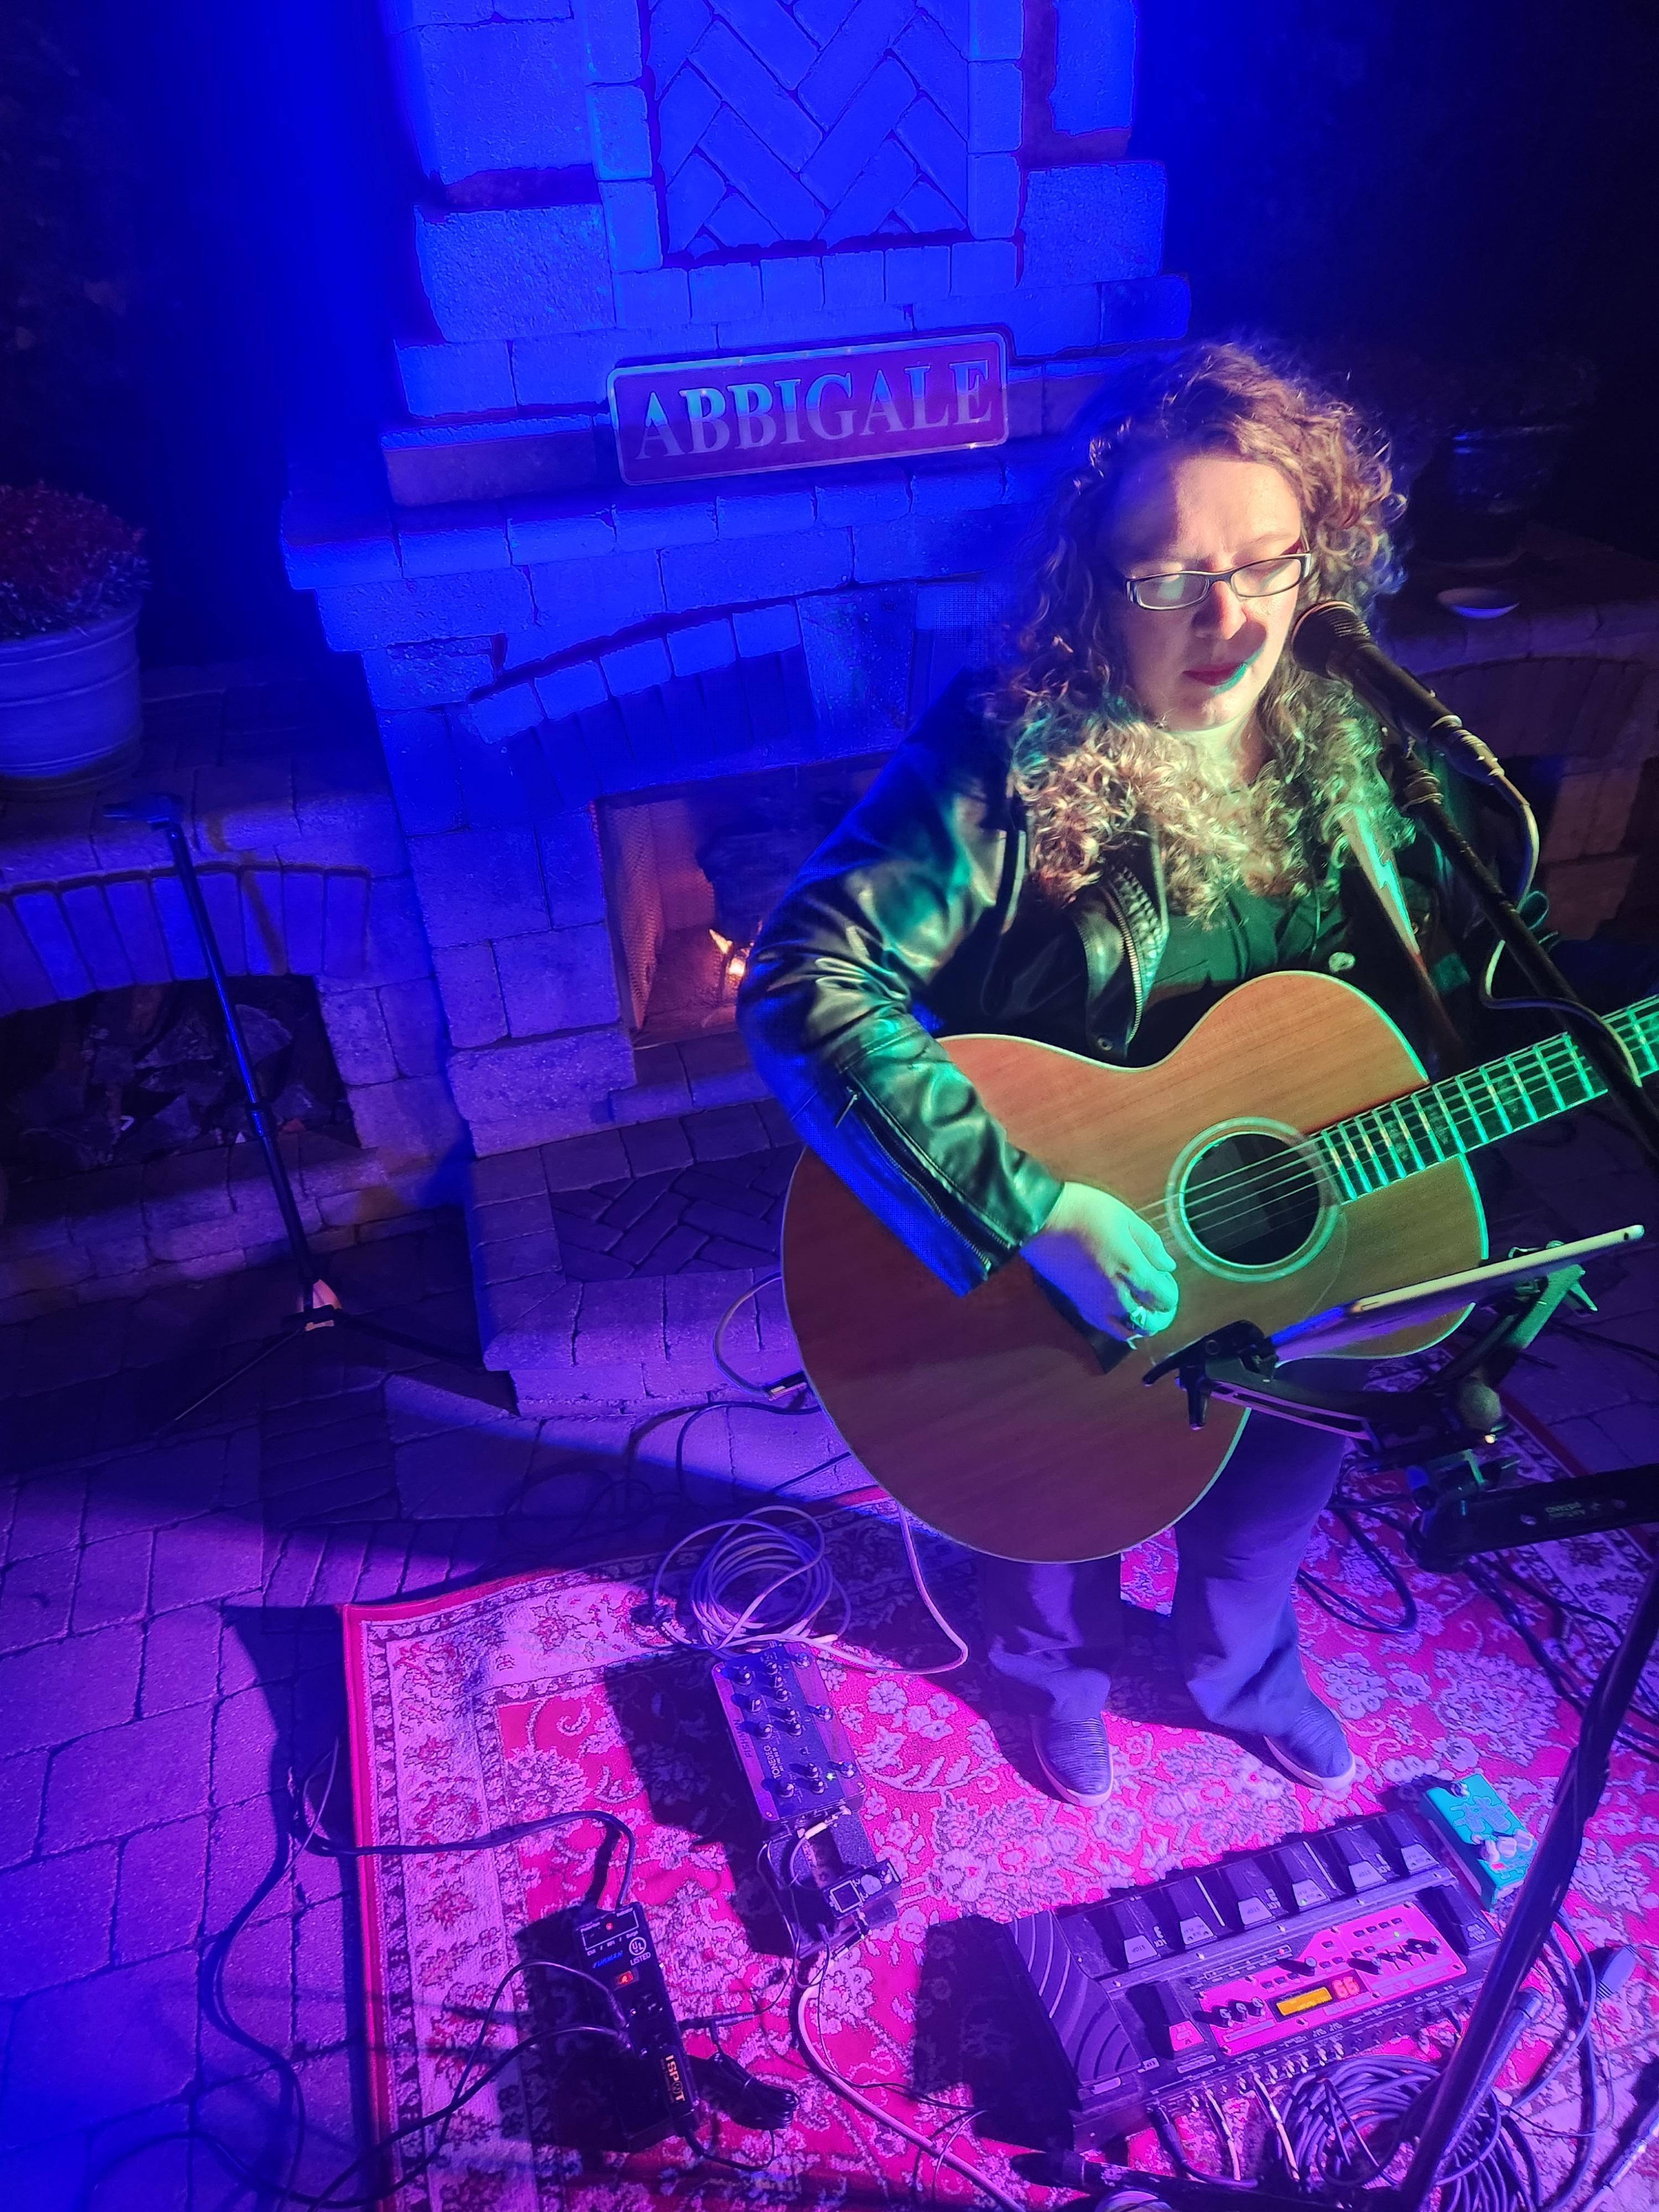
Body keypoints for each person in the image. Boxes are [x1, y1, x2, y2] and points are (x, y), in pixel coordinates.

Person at [734, 341, 1606, 1810]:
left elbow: (1457, 988)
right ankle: (1045, 1677)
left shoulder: (1355, 742)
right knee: (1058, 1502)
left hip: (1315, 1228)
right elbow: (803, 979)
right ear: (1092, 586)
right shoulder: (1001, 760)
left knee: (1273, 1501)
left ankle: (1235, 1675)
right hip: (1070, 1249)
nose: (1232, 620)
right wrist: (1031, 1208)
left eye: (1269, 565)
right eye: (1170, 580)